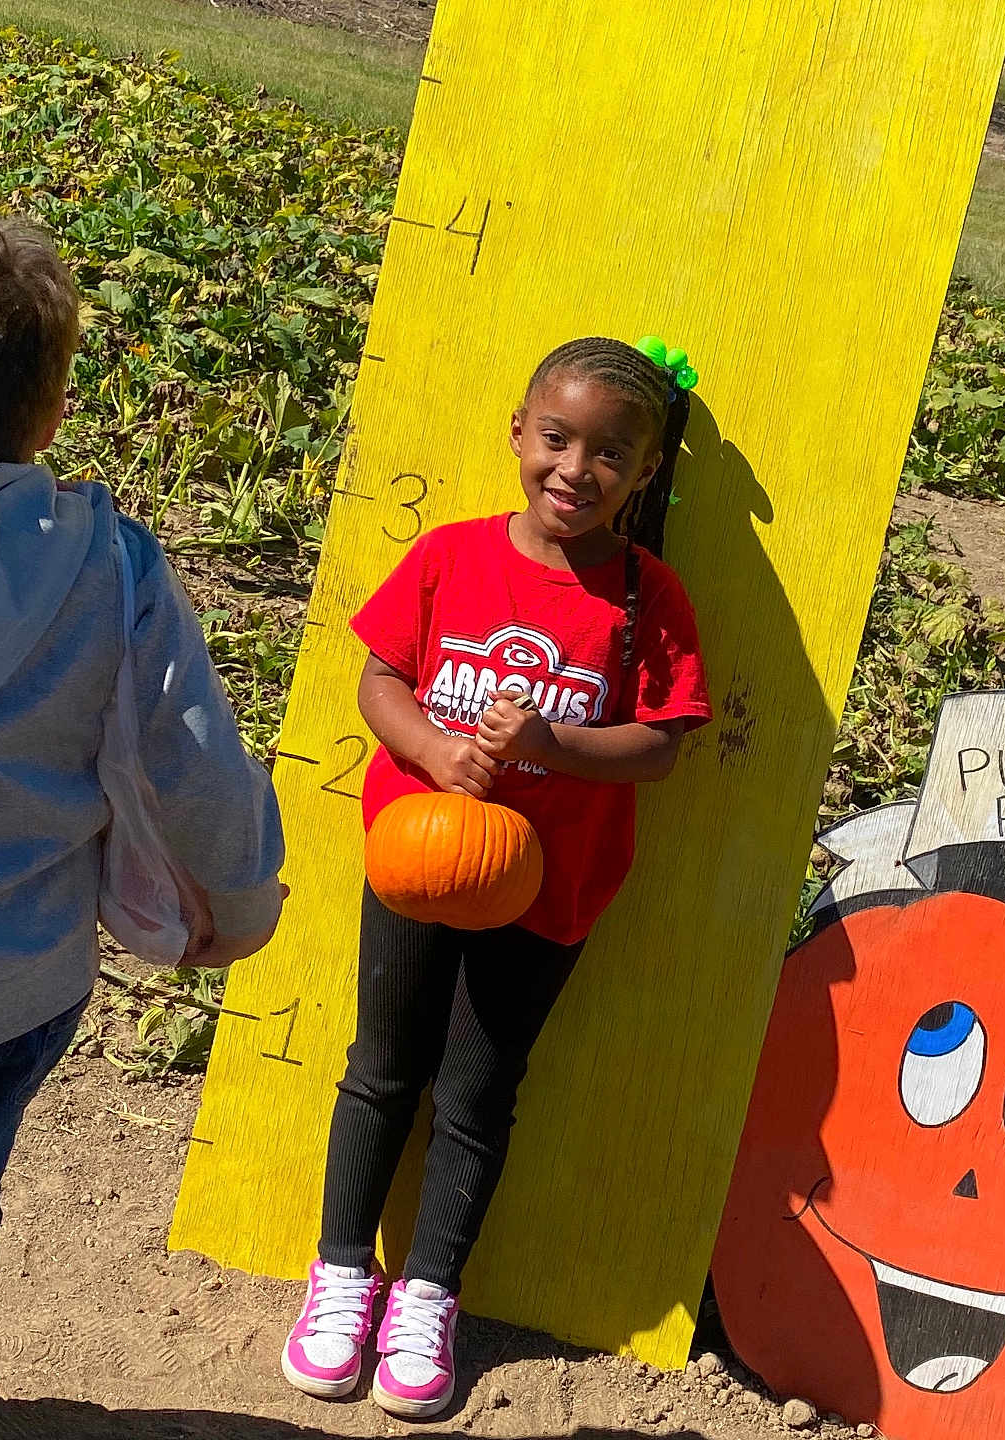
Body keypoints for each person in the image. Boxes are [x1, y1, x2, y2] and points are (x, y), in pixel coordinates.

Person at [0, 211, 286, 1440]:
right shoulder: (115, 566)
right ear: (51, 413)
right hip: (30, 985)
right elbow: (198, 765)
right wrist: (238, 908)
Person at [281, 336, 713, 1418]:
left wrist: (556, 749)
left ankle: (427, 1294)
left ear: (646, 472)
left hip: (549, 889)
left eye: (612, 453)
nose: (578, 468)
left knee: (476, 1094)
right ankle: (341, 1277)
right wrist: (430, 749)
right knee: (383, 1067)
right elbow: (381, 674)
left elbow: (664, 742)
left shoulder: (645, 599)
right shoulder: (451, 557)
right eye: (558, 439)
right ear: (519, 433)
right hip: (423, 864)